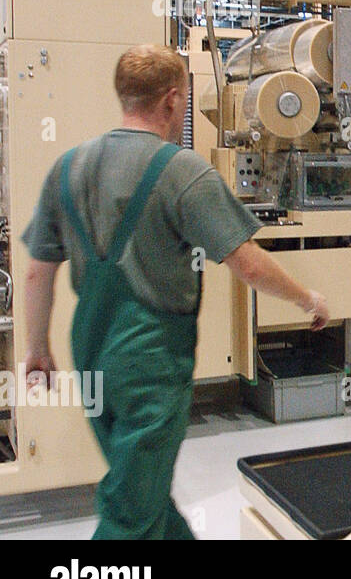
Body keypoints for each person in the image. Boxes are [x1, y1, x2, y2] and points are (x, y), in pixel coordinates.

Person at [21, 45, 330, 540]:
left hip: (91, 350)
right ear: (170, 101)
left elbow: (38, 271)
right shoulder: (183, 171)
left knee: (142, 485)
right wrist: (307, 299)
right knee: (131, 510)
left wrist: (37, 349)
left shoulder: (67, 167)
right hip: (149, 358)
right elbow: (248, 264)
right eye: (185, 99)